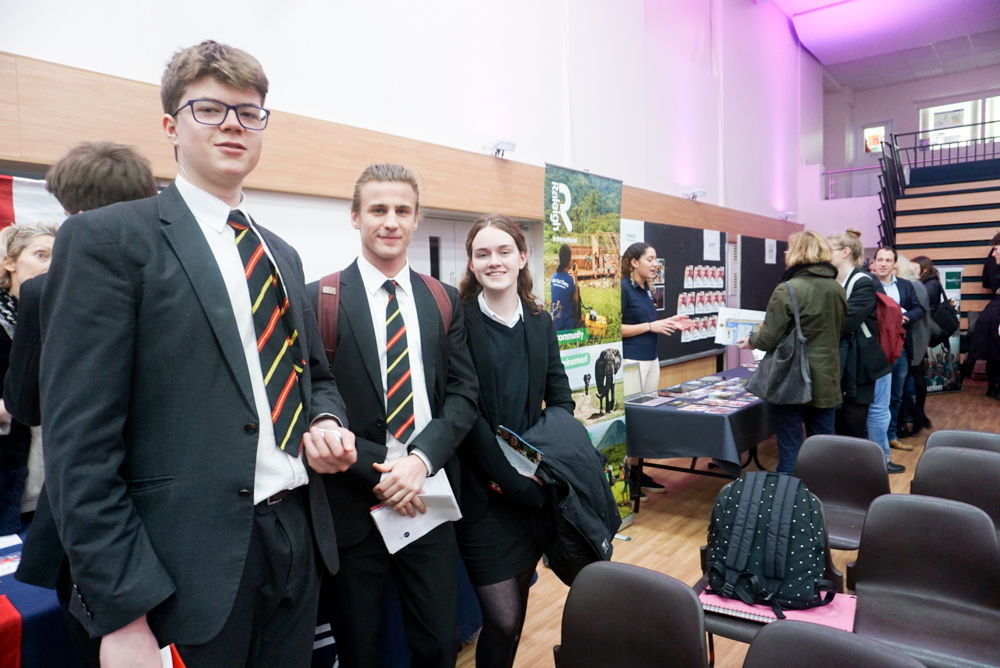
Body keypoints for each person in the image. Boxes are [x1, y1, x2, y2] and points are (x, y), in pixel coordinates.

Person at [19, 40, 356, 668]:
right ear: (172, 126)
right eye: (210, 109)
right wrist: (121, 609)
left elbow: (316, 374)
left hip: (296, 540)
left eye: (249, 112)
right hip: (181, 566)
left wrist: (325, 418)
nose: (233, 123)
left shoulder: (280, 253)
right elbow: (79, 445)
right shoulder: (111, 241)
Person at [311, 163, 478, 668]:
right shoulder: (319, 299)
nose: (391, 221)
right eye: (378, 209)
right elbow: (311, 401)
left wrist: (420, 462)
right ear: (356, 217)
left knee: (437, 644)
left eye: (402, 210)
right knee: (361, 650)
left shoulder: (442, 299)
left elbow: (463, 396)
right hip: (354, 505)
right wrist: (383, 474)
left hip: (427, 500)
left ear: (416, 218)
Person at [3, 142, 158, 668]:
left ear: (71, 209)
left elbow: (27, 404)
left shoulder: (44, 293)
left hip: (88, 510)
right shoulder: (176, 278)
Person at [453, 214, 573, 668]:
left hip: (534, 492)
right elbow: (465, 418)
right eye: (482, 253)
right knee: (501, 620)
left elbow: (560, 399)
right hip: (484, 494)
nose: (494, 261)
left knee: (516, 618)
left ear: (523, 257)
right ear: (471, 262)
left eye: (504, 251)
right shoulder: (458, 322)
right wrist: (512, 480)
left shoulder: (540, 321)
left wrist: (538, 470)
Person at [739, 231, 846, 475]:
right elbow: (839, 330)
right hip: (827, 374)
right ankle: (824, 499)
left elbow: (769, 338)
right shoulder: (836, 288)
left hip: (791, 377)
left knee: (790, 446)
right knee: (824, 444)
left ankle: (788, 505)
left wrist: (751, 340)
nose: (785, 253)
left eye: (789, 248)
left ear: (799, 252)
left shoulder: (788, 289)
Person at [619, 242, 691, 496]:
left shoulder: (645, 289)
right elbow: (616, 329)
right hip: (632, 362)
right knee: (632, 420)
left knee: (644, 420)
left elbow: (650, 322)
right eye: (650, 259)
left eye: (656, 259)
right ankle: (625, 477)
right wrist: (652, 326)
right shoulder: (624, 288)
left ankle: (637, 472)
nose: (655, 264)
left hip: (652, 360)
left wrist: (671, 321)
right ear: (634, 262)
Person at [0, 223, 57, 535]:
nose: (52, 265)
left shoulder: (66, 319)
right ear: (10, 262)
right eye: (41, 254)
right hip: (9, 470)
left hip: (52, 478)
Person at [826, 230, 899, 472]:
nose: (824, 254)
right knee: (836, 427)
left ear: (845, 252)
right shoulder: (830, 280)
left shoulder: (863, 282)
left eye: (829, 249)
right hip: (838, 362)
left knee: (853, 427)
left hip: (860, 364)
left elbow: (846, 323)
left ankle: (857, 478)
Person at [869, 247, 925, 452]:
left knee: (896, 394)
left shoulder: (905, 286)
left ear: (894, 264)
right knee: (874, 396)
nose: (883, 264)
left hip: (899, 346)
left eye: (888, 260)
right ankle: (872, 438)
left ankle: (890, 435)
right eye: (880, 259)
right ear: (873, 263)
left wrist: (905, 317)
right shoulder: (866, 285)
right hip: (874, 347)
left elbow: (919, 309)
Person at [905, 255, 944, 434]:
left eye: (914, 268)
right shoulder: (929, 283)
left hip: (919, 332)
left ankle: (918, 415)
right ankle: (918, 415)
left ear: (924, 269)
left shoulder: (927, 285)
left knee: (916, 372)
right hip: (921, 331)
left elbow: (921, 308)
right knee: (915, 373)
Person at [550, 244, 578, 331]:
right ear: (569, 261)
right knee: (576, 290)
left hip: (554, 324)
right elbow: (576, 301)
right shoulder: (569, 280)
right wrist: (575, 277)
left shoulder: (554, 277)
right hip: (566, 326)